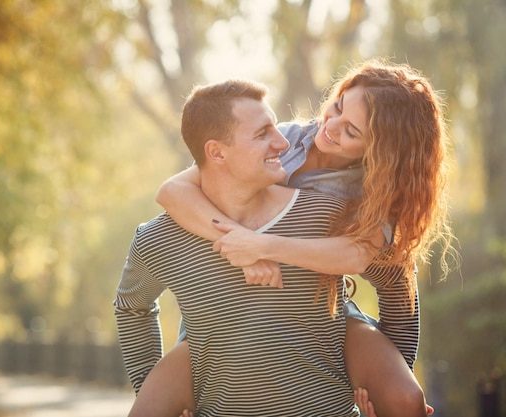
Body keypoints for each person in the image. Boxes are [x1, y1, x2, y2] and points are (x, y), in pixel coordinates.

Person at [145, 59, 456, 417]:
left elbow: (361, 262)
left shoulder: (375, 192)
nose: (330, 126)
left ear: (380, 152)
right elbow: (173, 190)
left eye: (352, 131)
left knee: (404, 401)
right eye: (337, 107)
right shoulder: (285, 138)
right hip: (228, 302)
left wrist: (261, 246)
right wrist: (240, 243)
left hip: (318, 307)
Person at [115, 79, 365, 416]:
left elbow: (394, 280)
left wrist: (384, 386)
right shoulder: (159, 238)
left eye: (276, 128)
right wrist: (156, 390)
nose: (283, 143)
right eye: (263, 134)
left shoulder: (325, 214)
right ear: (216, 152)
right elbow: (131, 307)